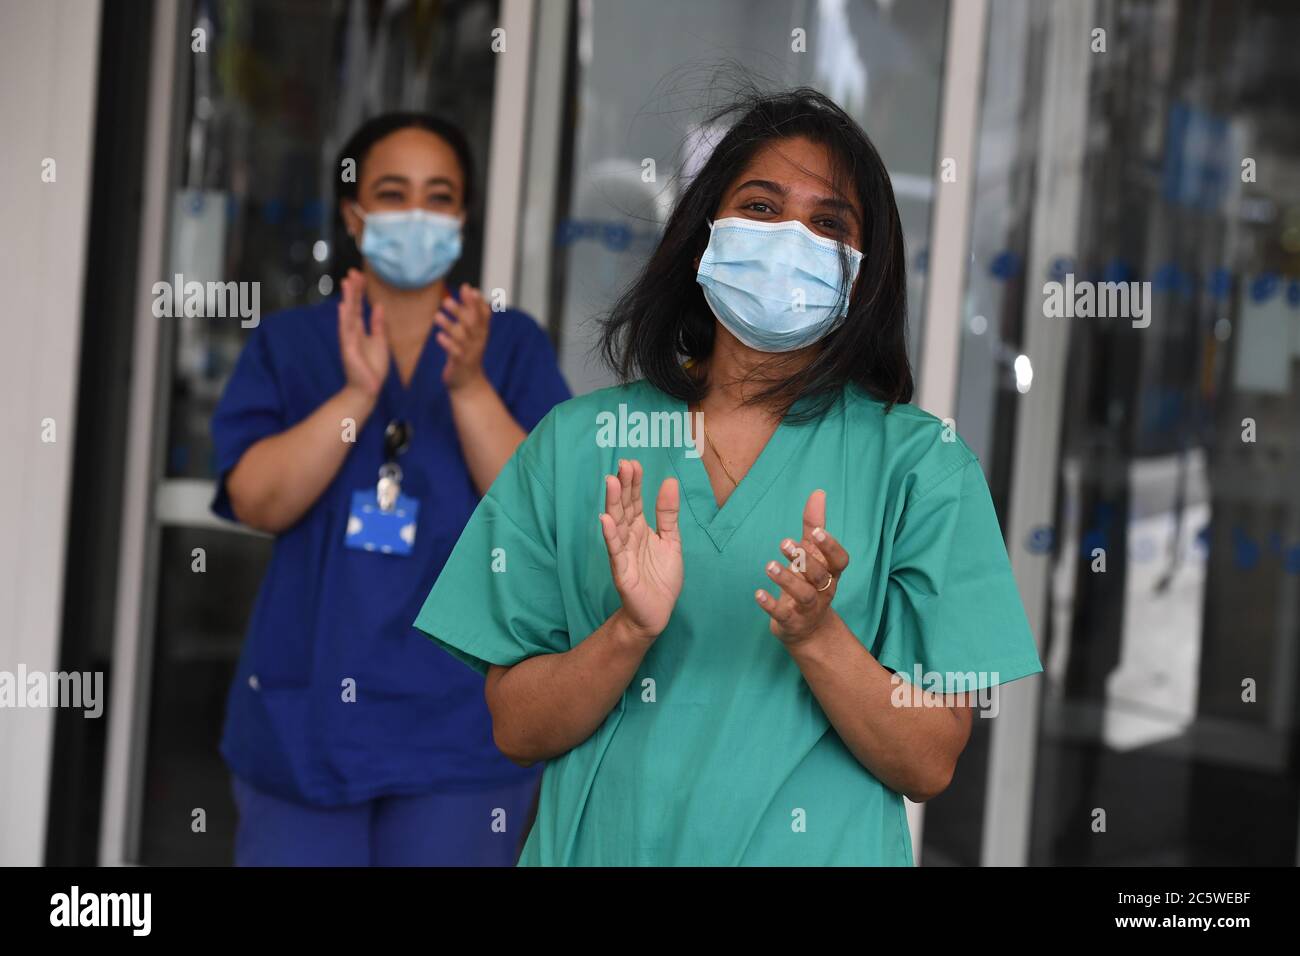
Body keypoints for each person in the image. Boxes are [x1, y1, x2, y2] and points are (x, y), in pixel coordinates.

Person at [413, 88, 1043, 865]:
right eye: (762, 205)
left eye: (829, 223)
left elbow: (928, 759)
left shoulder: (921, 468)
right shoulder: (580, 445)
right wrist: (627, 632)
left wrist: (818, 636)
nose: (791, 238)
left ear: (862, 272)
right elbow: (515, 727)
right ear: (705, 231)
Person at [210, 112, 570, 866]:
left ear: (463, 216)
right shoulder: (292, 344)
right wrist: (355, 398)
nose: (416, 214)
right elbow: (256, 499)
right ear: (353, 212)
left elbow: (541, 518)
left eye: (438, 197)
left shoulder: (512, 348)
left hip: (460, 727)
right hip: (305, 719)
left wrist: (468, 391)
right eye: (392, 192)